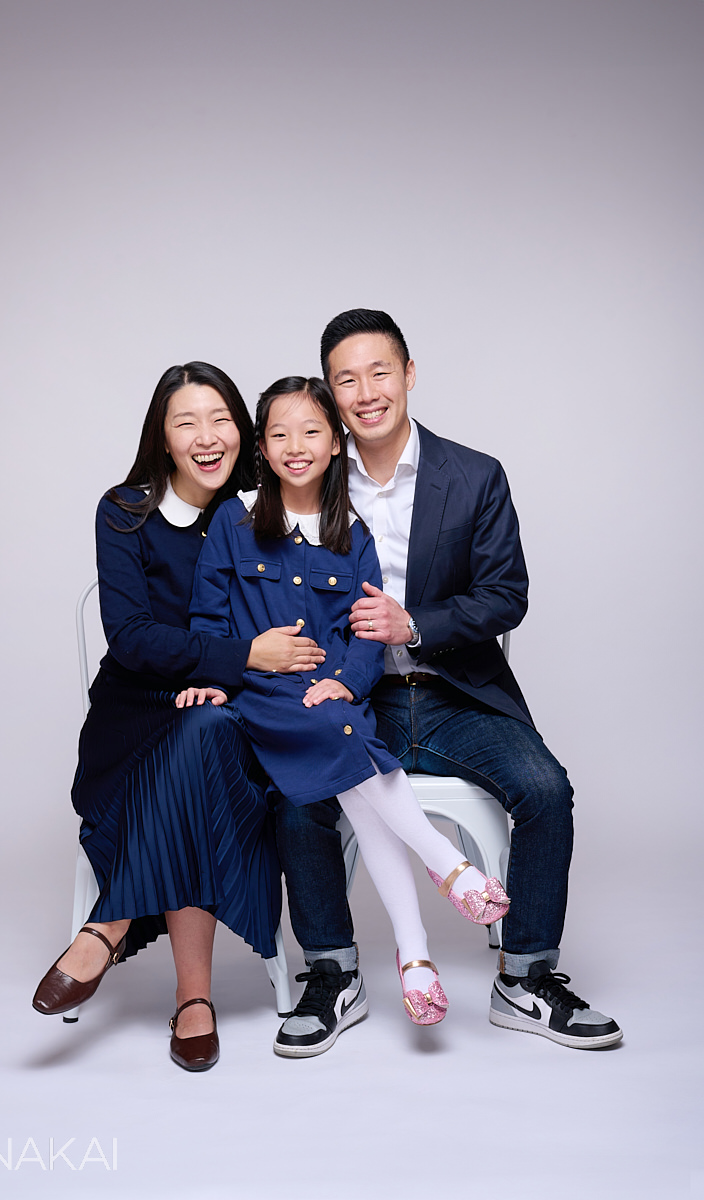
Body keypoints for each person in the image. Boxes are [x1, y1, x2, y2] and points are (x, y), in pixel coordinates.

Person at [272, 309, 623, 1054]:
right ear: (330, 395)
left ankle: (525, 977)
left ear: (409, 374)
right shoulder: (312, 476)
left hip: (458, 691)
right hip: (357, 699)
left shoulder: (474, 475)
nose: (366, 392)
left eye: (380, 372)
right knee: (297, 795)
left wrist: (415, 624)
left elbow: (507, 595)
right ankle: (333, 973)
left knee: (545, 790)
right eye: (346, 379)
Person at [176, 375, 511, 1056]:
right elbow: (207, 626)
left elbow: (366, 637)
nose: (295, 447)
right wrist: (220, 676)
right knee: (347, 739)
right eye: (278, 434)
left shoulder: (351, 535)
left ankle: (416, 956)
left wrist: (350, 685)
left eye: (311, 432)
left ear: (336, 444)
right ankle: (444, 870)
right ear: (262, 450)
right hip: (259, 703)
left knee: (345, 742)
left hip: (332, 707)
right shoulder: (232, 528)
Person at [32, 362, 325, 1072]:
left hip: (237, 716)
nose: (206, 436)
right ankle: (193, 999)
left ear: (244, 433)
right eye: (185, 422)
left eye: (220, 418)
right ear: (161, 439)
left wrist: (236, 674)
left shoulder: (266, 512)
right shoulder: (124, 511)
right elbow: (132, 638)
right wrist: (241, 655)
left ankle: (107, 926)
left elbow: (299, 622)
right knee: (197, 752)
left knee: (207, 738)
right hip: (135, 721)